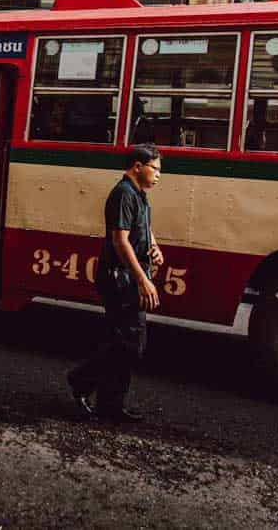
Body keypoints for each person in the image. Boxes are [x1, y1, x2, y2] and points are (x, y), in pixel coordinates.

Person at [67, 143, 165, 424]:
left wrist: (155, 247)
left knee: (122, 340)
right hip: (119, 278)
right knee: (132, 342)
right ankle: (80, 379)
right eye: (155, 169)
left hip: (126, 276)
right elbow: (120, 240)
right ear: (137, 166)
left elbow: (143, 228)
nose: (158, 175)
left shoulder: (139, 195)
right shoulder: (123, 193)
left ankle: (111, 406)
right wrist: (143, 279)